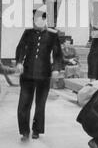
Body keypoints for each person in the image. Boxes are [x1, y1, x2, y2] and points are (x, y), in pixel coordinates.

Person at [15, 9, 63, 141]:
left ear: (44, 21)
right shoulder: (28, 33)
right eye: (34, 20)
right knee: (23, 104)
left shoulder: (52, 35)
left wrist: (56, 69)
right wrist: (19, 62)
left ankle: (36, 130)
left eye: (38, 20)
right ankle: (24, 131)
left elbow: (58, 54)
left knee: (40, 105)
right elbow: (21, 48)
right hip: (27, 74)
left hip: (44, 74)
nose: (35, 23)